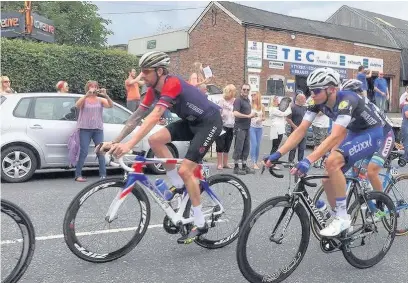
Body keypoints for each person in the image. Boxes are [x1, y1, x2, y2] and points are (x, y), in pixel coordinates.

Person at [98, 51, 222, 244]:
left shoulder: (172, 83)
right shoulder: (152, 90)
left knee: (185, 170)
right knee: (155, 140)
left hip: (209, 122)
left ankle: (200, 221)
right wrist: (116, 141)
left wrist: (129, 145)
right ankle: (179, 185)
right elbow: (136, 118)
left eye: (146, 72)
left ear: (160, 71)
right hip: (190, 122)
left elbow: (154, 116)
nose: (143, 76)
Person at [266, 68, 394, 237]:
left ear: (332, 89)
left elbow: (335, 136)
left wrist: (308, 160)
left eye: (316, 90)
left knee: (335, 161)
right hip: (355, 133)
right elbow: (301, 130)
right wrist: (277, 154)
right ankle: (340, 218)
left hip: (374, 133)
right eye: (310, 90)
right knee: (327, 176)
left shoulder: (347, 99)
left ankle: (344, 217)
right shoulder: (316, 102)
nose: (312, 94)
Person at [75, 81, 114, 182]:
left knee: (100, 151)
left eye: (95, 86)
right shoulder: (84, 99)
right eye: (91, 86)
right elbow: (77, 105)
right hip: (85, 128)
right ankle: (78, 175)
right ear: (87, 88)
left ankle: (103, 175)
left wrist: (106, 95)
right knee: (83, 151)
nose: (93, 88)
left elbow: (111, 105)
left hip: (97, 129)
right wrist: (86, 95)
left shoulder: (100, 100)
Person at [232, 84, 256, 175]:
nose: (246, 91)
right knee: (238, 147)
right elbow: (235, 113)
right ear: (241, 90)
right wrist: (248, 116)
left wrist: (252, 116)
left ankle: (244, 166)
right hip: (239, 127)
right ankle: (236, 167)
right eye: (244, 89)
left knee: (246, 147)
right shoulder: (238, 100)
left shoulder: (248, 100)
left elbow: (247, 114)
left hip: (246, 127)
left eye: (247, 90)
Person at [267, 95, 291, 170]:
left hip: (279, 129)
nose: (278, 101)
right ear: (273, 101)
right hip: (276, 129)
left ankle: (271, 162)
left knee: (276, 146)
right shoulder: (273, 109)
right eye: (276, 100)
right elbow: (284, 114)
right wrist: (289, 106)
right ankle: (272, 163)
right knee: (275, 147)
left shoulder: (277, 108)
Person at [215, 84, 236, 170]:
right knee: (220, 144)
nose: (235, 93)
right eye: (233, 91)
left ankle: (225, 163)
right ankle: (219, 163)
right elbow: (218, 113)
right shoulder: (222, 100)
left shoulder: (235, 101)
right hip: (222, 125)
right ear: (229, 92)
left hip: (231, 125)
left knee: (228, 144)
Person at [286, 93, 307, 164]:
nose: (305, 100)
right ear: (300, 99)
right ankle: (290, 161)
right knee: (293, 147)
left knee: (302, 148)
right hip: (295, 131)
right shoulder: (293, 107)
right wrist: (295, 127)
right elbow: (288, 119)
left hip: (304, 131)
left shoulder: (305, 108)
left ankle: (300, 161)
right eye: (304, 99)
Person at [249, 91, 266, 169]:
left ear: (258, 96)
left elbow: (264, 117)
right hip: (252, 127)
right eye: (251, 95)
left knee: (258, 146)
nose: (252, 96)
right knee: (254, 144)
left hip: (259, 128)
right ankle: (253, 162)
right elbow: (248, 116)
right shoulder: (250, 105)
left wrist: (261, 119)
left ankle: (255, 161)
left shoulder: (262, 106)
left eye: (254, 94)